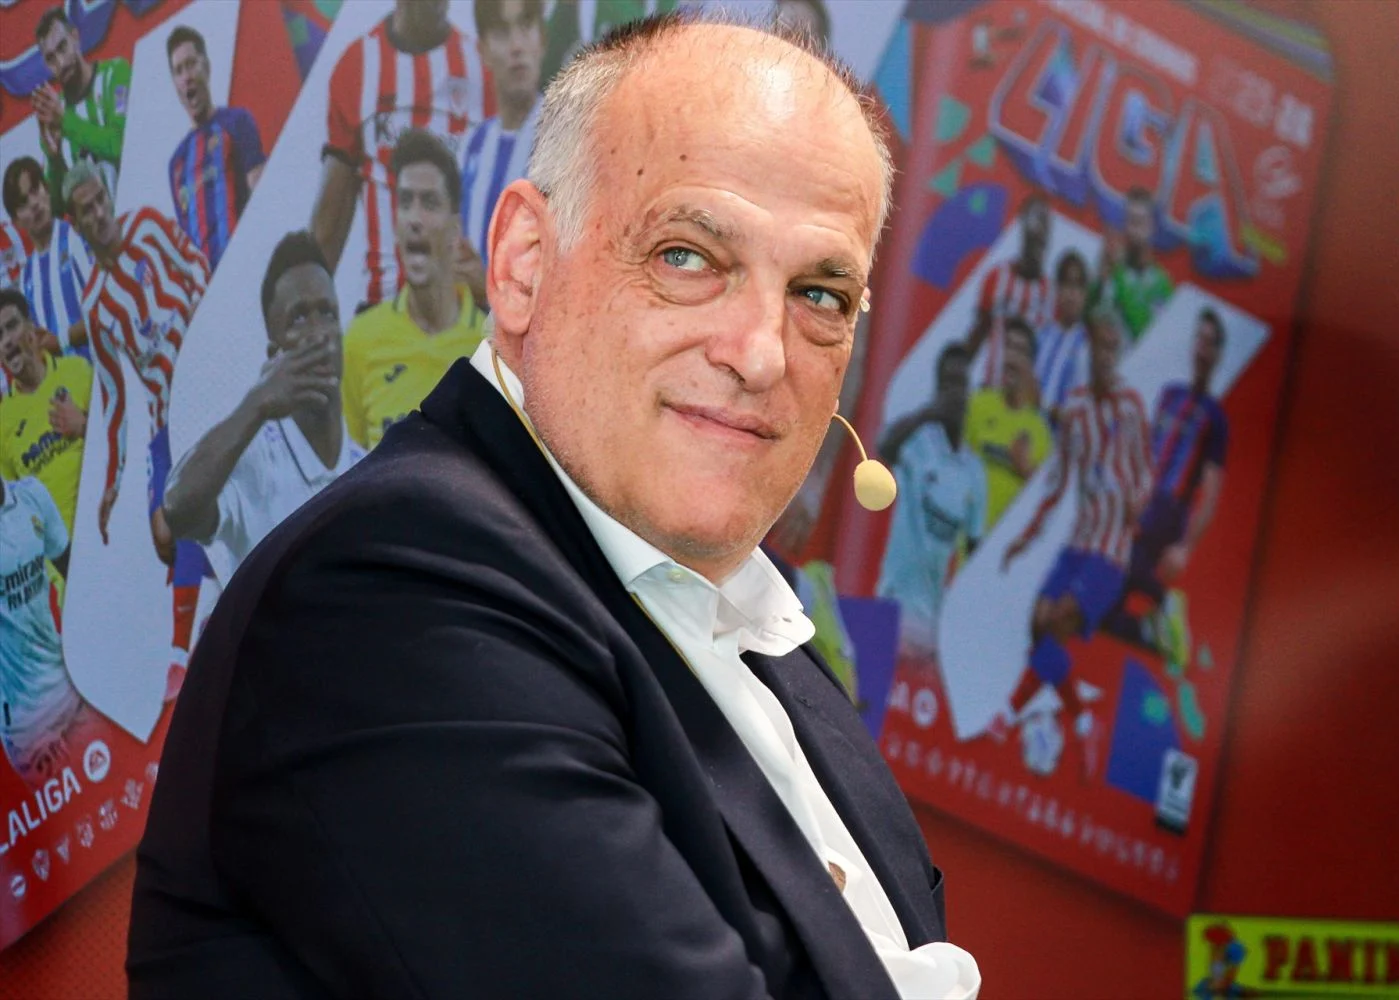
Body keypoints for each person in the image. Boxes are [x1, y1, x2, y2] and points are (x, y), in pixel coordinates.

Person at [130, 17, 980, 999]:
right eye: (688, 256)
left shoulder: (746, 608)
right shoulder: (392, 595)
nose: (761, 353)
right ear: (525, 264)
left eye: (821, 294)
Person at [66, 160, 211, 672]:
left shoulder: (147, 225)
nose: (99, 214)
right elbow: (114, 397)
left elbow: (197, 263)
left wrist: (194, 325)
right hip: (162, 417)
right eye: (87, 211)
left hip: (203, 389)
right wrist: (111, 483)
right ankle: (209, 602)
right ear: (77, 224)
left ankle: (180, 654)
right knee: (163, 536)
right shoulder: (96, 304)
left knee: (187, 507)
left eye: (101, 202)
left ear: (109, 198)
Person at [997, 307, 1152, 779]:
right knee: (1037, 622)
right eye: (1098, 345)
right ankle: (1083, 719)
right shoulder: (1078, 409)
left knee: (1058, 618)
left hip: (1110, 552)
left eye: (1112, 347)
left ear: (1118, 352)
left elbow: (1145, 473)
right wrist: (1025, 538)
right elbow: (1059, 483)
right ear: (1088, 347)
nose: (1104, 355)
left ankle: (1007, 715)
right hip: (1079, 543)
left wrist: (1137, 505)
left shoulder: (1131, 407)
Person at [163, 232, 362, 583]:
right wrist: (257, 401)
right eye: (298, 319)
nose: (318, 334)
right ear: (274, 355)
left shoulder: (368, 469)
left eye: (327, 313)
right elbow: (177, 509)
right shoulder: (255, 466)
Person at [311, 0, 493, 307]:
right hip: (384, 311)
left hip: (463, 314)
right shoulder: (358, 65)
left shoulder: (482, 69)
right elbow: (330, 222)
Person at [342, 129, 485, 450]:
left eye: (429, 203)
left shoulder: (489, 347)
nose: (414, 219)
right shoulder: (360, 340)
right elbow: (353, 463)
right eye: (406, 202)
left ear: (455, 229)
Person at [1104, 309, 1228, 666]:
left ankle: (1163, 600)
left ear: (1218, 355)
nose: (1202, 348)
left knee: (1122, 561)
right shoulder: (1170, 394)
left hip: (1169, 507)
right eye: (1199, 339)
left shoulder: (1215, 418)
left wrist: (1186, 546)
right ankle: (1153, 631)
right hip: (1144, 496)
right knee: (1102, 613)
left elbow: (1211, 492)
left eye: (1211, 343)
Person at [876, 344, 989, 661]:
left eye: (960, 384)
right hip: (893, 603)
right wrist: (928, 412)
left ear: (969, 391)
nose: (954, 392)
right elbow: (884, 447)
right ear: (937, 388)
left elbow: (974, 550)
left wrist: (961, 616)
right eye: (947, 383)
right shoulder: (919, 443)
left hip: (933, 621)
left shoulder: (974, 472)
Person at [0, 474, 112, 792]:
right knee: (79, 814)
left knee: (113, 794)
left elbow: (73, 571)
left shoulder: (31, 496)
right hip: (27, 726)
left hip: (71, 688)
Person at [166, 25, 267, 270]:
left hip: (247, 266)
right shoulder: (176, 164)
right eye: (178, 71)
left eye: (191, 64)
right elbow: (187, 242)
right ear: (175, 84)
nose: (186, 77)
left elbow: (261, 195)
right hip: (209, 285)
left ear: (207, 67)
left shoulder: (237, 122)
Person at [461, 0, 546, 279]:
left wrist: (486, 287)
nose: (516, 46)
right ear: (482, 51)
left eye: (525, 26)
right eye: (501, 32)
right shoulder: (471, 147)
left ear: (542, 39)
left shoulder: (568, 140)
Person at [0, 289, 91, 540]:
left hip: (106, 530)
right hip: (60, 556)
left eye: (12, 326)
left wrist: (84, 426)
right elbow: (10, 513)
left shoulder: (79, 371)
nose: (7, 341)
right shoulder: (2, 422)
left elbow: (121, 444)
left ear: (32, 329)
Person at [31, 5, 132, 207]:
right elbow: (57, 208)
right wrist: (55, 159)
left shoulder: (115, 74)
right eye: (51, 58)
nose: (60, 62)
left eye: (62, 47)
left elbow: (122, 145)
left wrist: (66, 122)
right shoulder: (53, 115)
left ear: (75, 37)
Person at [963, 317, 1051, 531]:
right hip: (964, 536)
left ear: (1031, 365)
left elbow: (1046, 503)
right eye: (1008, 347)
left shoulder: (1041, 432)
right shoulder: (977, 404)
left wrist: (1025, 469)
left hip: (1001, 543)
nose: (1011, 358)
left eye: (1020, 351)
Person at [5, 156, 94, 360]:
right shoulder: (26, 279)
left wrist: (62, 340)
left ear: (46, 189)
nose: (34, 203)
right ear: (16, 222)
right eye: (23, 202)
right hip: (68, 379)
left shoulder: (78, 236)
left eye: (35, 190)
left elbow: (105, 310)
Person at [964, 193, 1052, 388]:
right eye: (1034, 219)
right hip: (992, 390)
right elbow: (978, 333)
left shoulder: (1050, 294)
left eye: (1044, 221)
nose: (1038, 229)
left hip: (1025, 398)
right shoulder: (997, 278)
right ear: (1022, 225)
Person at [1095, 186, 1173, 342]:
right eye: (1130, 221)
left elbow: (1154, 336)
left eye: (1140, 222)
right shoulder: (1111, 270)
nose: (1134, 231)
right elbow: (1094, 318)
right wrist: (1102, 279)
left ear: (1151, 227)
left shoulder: (1162, 283)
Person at [1033, 249, 1090, 423]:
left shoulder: (1089, 346)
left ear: (1085, 294)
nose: (1071, 293)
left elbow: (1080, 414)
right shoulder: (1040, 336)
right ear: (1057, 289)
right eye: (1066, 284)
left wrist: (1044, 406)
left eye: (1078, 286)